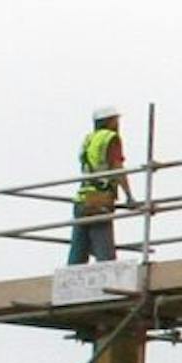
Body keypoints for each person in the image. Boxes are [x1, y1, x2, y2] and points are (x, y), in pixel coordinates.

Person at [68, 107, 125, 264]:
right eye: (116, 120)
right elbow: (117, 168)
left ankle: (71, 282)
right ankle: (108, 283)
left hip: (82, 198)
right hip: (99, 199)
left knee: (77, 253)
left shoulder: (89, 139)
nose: (118, 123)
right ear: (110, 121)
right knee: (105, 253)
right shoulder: (111, 138)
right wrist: (129, 196)